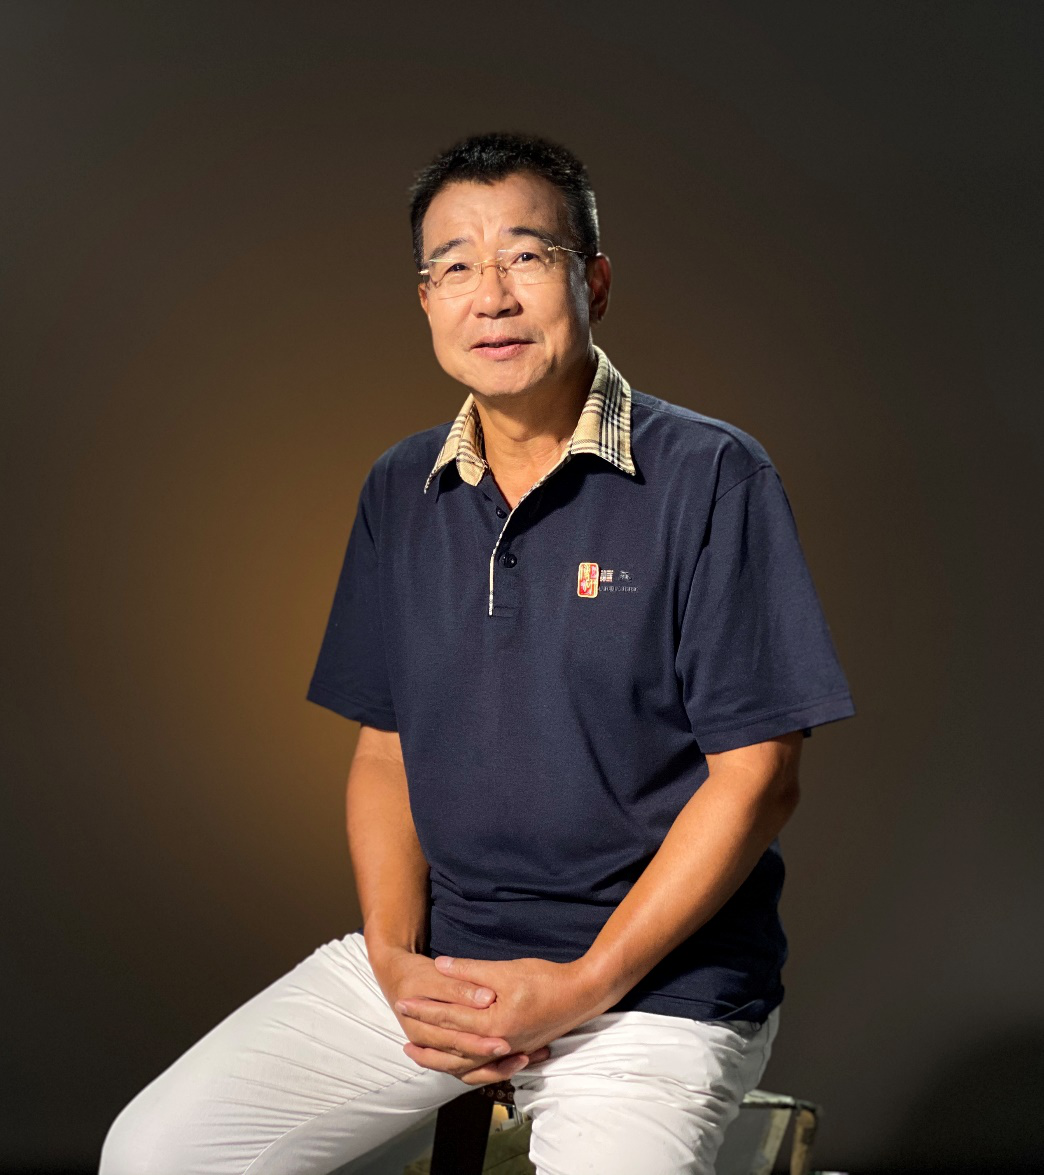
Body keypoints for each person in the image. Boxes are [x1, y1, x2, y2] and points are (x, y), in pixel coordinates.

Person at [100, 132, 855, 1175]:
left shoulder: (712, 474)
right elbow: (385, 751)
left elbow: (758, 776)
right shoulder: (400, 487)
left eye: (527, 256)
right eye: (454, 266)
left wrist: (583, 984)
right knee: (154, 1153)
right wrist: (393, 957)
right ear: (426, 301)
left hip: (654, 991)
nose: (490, 296)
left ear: (594, 281)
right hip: (445, 966)